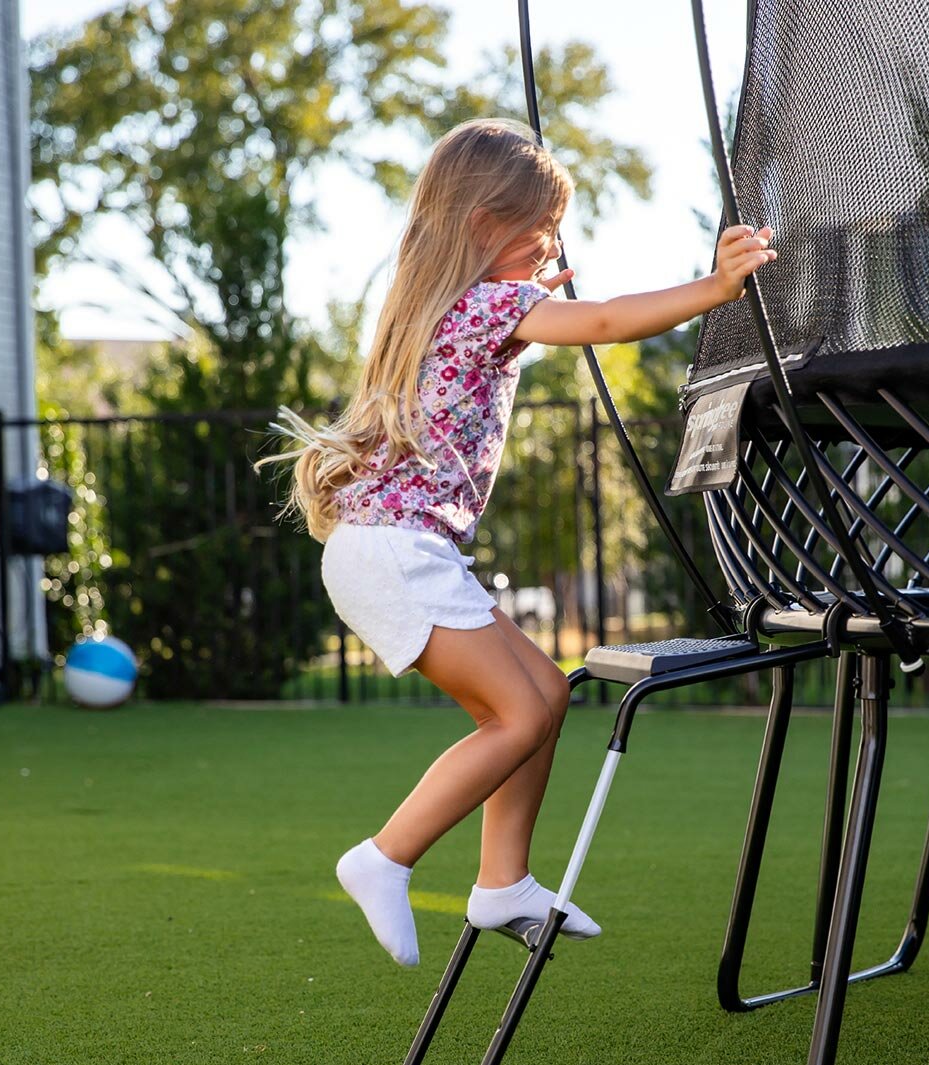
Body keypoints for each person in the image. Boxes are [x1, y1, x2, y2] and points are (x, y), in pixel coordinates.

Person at [257, 118, 775, 966]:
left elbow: (540, 330)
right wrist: (713, 290)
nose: (550, 247)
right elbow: (605, 321)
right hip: (396, 552)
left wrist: (534, 294)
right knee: (522, 711)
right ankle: (384, 857)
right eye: (541, 231)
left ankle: (504, 883)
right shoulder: (495, 304)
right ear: (482, 225)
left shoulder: (438, 306)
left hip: (393, 550)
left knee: (542, 692)